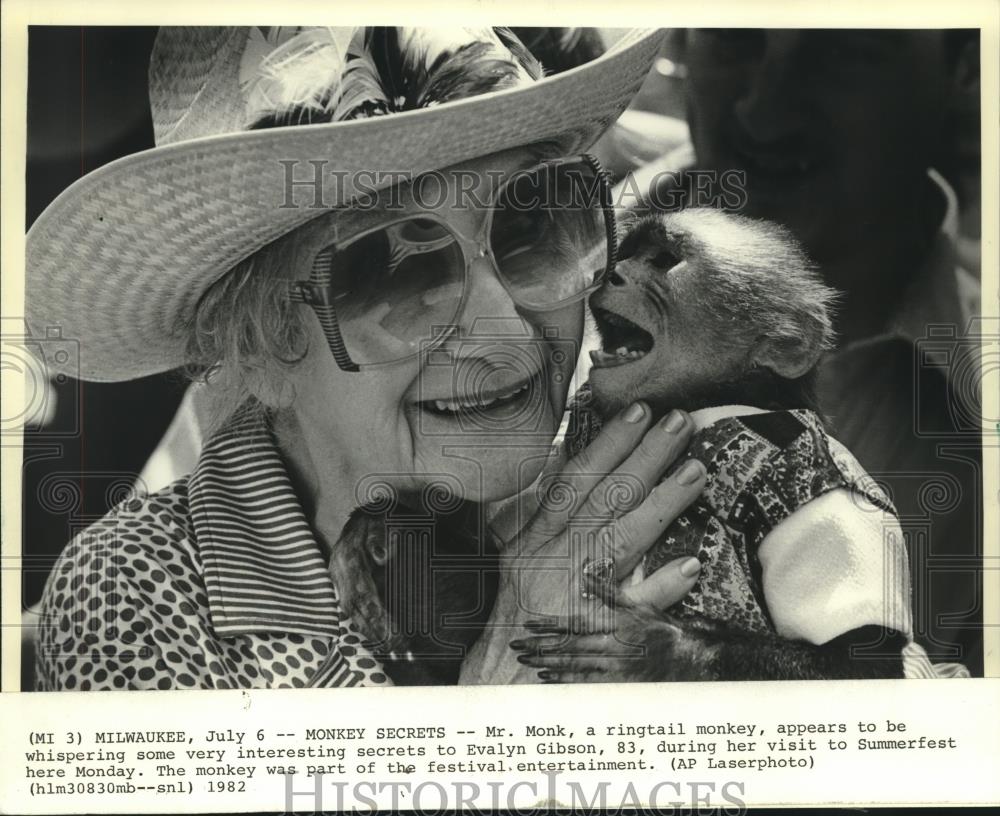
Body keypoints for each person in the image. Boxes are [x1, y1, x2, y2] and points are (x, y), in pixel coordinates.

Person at [27, 26, 710, 690]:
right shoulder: (133, 591)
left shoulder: (663, 481)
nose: (505, 331)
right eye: (396, 272)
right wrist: (501, 706)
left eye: (535, 225)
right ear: (258, 344)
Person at [620, 28, 983, 675]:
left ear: (967, 62)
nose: (765, 108)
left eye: (841, 48)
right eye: (735, 39)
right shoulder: (499, 264)